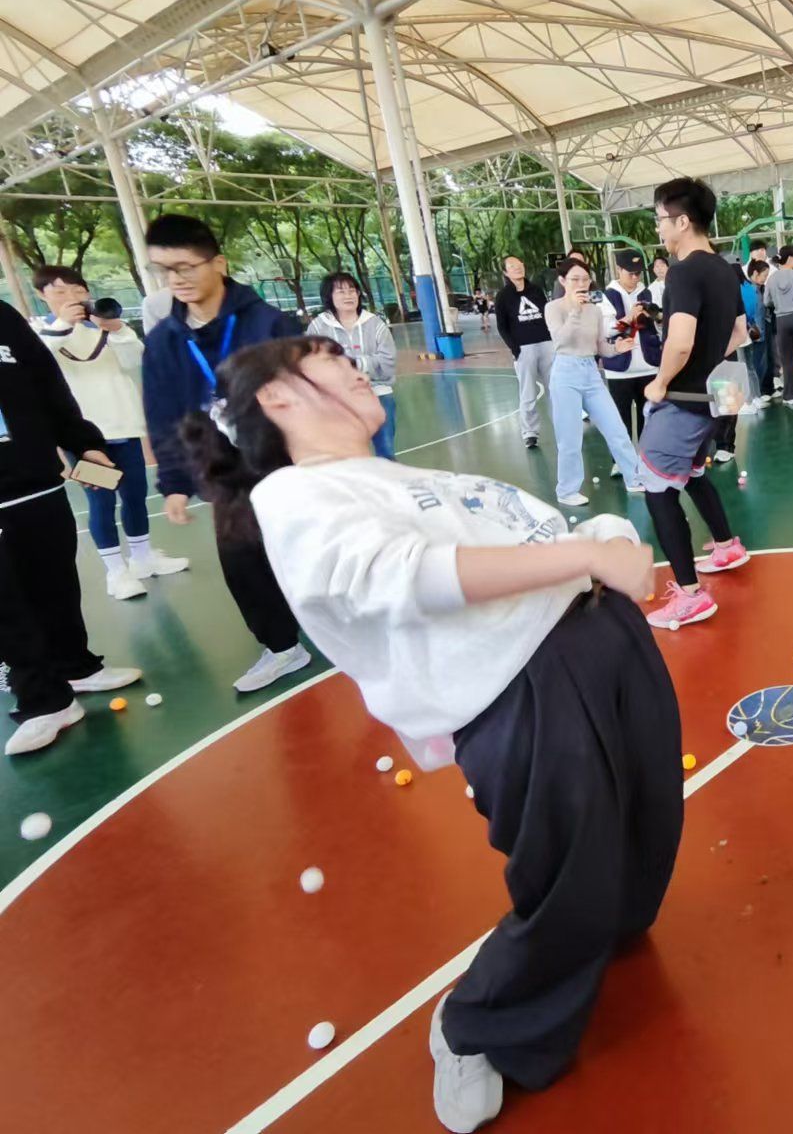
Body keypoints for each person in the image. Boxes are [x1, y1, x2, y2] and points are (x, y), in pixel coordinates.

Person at [179, 336, 680, 1134]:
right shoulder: (294, 496)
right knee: (567, 877)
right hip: (526, 686)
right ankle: (474, 1024)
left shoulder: (398, 475)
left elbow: (522, 535)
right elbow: (405, 575)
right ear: (277, 398)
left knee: (647, 821)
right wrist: (584, 552)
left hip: (597, 634)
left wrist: (605, 539)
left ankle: (602, 931)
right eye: (327, 358)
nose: (353, 365)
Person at [141, 213, 312, 693]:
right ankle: (282, 647)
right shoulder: (164, 342)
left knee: (314, 550)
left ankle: (352, 624)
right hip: (224, 470)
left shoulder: (269, 323)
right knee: (242, 561)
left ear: (218, 263)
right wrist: (175, 482)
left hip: (288, 461)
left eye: (185, 266)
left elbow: (311, 389)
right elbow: (164, 414)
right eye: (164, 270)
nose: (176, 279)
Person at [0, 300, 143, 755]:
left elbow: (48, 387)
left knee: (57, 586)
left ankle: (76, 667)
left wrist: (83, 443)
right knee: (7, 609)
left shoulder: (3, 318)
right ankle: (44, 701)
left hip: (36, 483)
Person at [31, 266, 189, 599]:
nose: (71, 298)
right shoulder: (39, 332)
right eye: (60, 291)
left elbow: (134, 360)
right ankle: (116, 572)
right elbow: (41, 361)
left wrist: (116, 329)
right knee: (101, 501)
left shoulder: (103, 327)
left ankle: (142, 558)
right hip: (83, 438)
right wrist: (64, 324)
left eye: (77, 290)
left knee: (134, 495)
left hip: (124, 426)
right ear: (42, 296)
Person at [636, 177, 749, 629]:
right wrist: (708, 360)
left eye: (660, 219)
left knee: (657, 486)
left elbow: (680, 342)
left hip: (687, 397)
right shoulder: (725, 268)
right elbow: (739, 333)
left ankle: (688, 595)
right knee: (696, 472)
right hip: (723, 391)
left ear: (682, 221)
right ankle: (726, 546)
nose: (658, 227)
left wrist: (660, 382)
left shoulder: (682, 271)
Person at [544, 260, 643, 506]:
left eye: (585, 279)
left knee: (616, 429)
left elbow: (599, 347)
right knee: (569, 438)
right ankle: (567, 491)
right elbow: (560, 341)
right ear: (563, 281)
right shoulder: (553, 308)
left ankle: (634, 478)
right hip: (565, 372)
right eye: (575, 279)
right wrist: (575, 311)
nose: (581, 283)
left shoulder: (595, 311)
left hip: (591, 372)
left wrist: (617, 348)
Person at [306, 272, 399, 457]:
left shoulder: (375, 324)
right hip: (337, 399)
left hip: (378, 394)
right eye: (341, 291)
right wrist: (365, 363)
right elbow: (313, 363)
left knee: (386, 452)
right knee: (347, 455)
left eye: (352, 290)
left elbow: (388, 360)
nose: (348, 296)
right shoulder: (318, 327)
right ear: (329, 296)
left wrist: (350, 364)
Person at [601, 249, 660, 444]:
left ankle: (647, 457)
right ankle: (620, 458)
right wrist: (629, 318)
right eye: (630, 273)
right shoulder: (606, 296)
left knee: (650, 420)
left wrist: (657, 318)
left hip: (649, 366)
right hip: (619, 370)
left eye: (638, 273)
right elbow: (607, 331)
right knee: (620, 422)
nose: (635, 278)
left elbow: (660, 327)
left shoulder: (648, 292)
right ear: (619, 269)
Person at [494, 256, 553, 447]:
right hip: (524, 348)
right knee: (528, 393)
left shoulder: (536, 290)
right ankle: (530, 432)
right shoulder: (503, 296)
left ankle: (562, 425)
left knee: (555, 389)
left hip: (546, 344)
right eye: (512, 266)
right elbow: (502, 326)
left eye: (519, 264)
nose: (517, 268)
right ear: (505, 272)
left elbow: (547, 314)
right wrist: (515, 348)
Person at [764, 245, 793, 406]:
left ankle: (789, 395)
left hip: (781, 321)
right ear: (791, 258)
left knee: (786, 360)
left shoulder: (771, 279)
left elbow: (766, 301)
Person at [740, 260, 771, 408]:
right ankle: (754, 396)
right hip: (756, 334)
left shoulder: (755, 289)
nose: (765, 278)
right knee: (755, 365)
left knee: (755, 365)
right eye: (764, 275)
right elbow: (754, 313)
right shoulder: (752, 290)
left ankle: (756, 395)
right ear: (755, 273)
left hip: (757, 332)